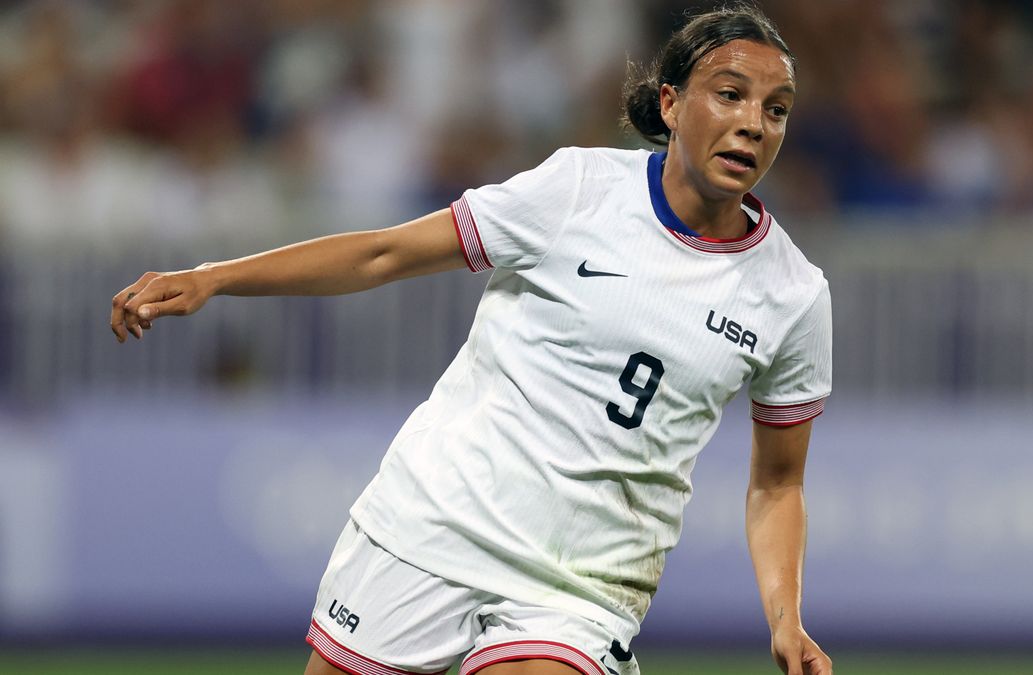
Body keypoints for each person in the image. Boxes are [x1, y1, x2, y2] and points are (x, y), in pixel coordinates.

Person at [111, 6, 833, 675]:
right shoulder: (577, 188)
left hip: (579, 583)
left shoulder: (793, 294)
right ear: (671, 104)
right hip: (432, 520)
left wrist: (785, 616)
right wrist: (214, 277)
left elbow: (779, 481)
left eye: (776, 110)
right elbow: (384, 252)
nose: (754, 123)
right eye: (730, 94)